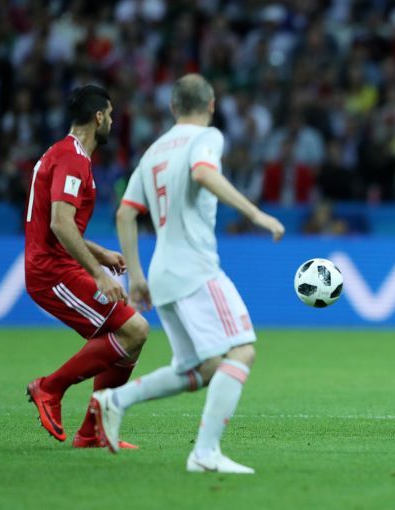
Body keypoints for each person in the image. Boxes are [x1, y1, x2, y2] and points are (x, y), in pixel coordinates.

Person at [90, 74, 285, 474]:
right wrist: (255, 213)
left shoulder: (154, 151)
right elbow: (203, 173)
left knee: (201, 367)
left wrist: (136, 276)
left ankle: (115, 400)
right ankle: (205, 453)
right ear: (211, 105)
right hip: (195, 267)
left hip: (162, 271)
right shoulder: (207, 137)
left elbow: (125, 213)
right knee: (242, 350)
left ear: (173, 107)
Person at [24, 85, 149, 447]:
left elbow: (59, 223)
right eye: (109, 115)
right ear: (98, 117)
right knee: (134, 331)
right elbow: (60, 224)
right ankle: (50, 388)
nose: (111, 121)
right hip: (51, 272)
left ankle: (92, 432)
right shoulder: (73, 158)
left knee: (130, 337)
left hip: (58, 264)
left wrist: (100, 253)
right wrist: (98, 275)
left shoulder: (61, 153)